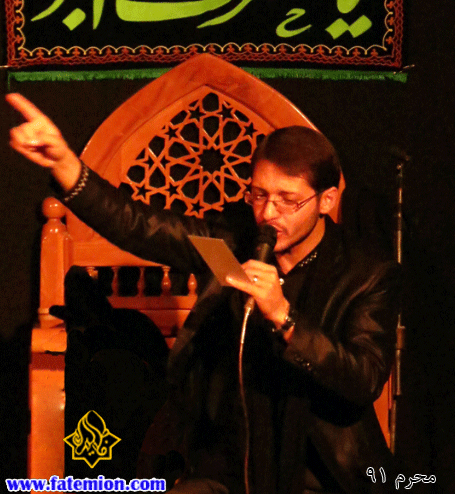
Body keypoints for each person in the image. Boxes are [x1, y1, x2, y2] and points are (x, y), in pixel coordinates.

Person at [7, 93, 401, 493]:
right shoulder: (232, 244)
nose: (268, 214)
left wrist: (285, 317)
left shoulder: (366, 274)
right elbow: (142, 226)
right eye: (259, 195)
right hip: (227, 466)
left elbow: (363, 378)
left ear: (326, 200)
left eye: (288, 201)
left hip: (318, 473)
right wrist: (65, 163)